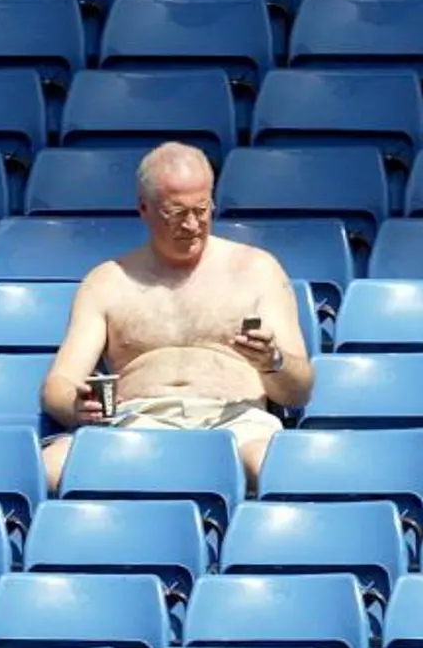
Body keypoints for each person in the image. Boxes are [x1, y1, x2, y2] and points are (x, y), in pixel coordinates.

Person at [39, 142, 315, 493]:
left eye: (201, 210)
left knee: (277, 468)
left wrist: (272, 361)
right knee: (50, 469)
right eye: (175, 212)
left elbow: (300, 390)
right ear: (144, 208)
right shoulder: (108, 280)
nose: (191, 224)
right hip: (139, 423)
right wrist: (75, 406)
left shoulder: (257, 269)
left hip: (238, 423)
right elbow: (59, 383)